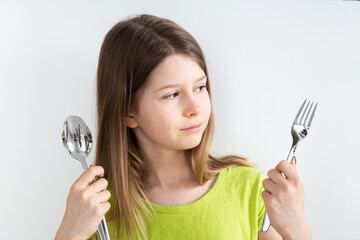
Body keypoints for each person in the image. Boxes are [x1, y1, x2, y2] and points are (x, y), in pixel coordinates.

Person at [55, 14, 312, 240]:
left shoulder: (250, 189)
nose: (195, 108)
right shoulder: (97, 210)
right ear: (127, 112)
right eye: (172, 95)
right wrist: (69, 233)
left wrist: (296, 228)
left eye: (200, 87)